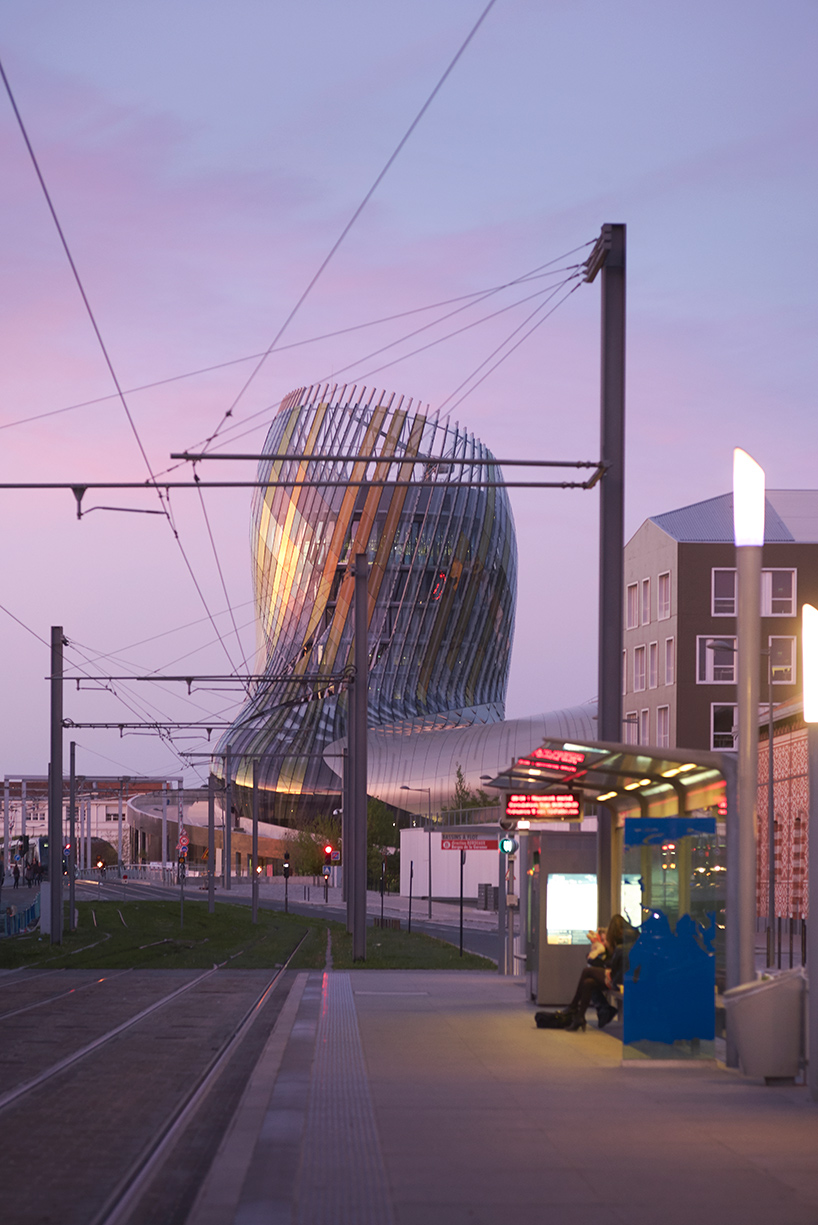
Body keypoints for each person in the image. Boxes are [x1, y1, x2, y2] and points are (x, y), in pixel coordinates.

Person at [565, 913, 631, 1032]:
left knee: (587, 971)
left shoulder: (620, 946)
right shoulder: (628, 941)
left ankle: (574, 1007)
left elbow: (613, 968)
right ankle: (579, 1015)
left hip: (620, 980)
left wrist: (599, 961)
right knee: (588, 982)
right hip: (622, 978)